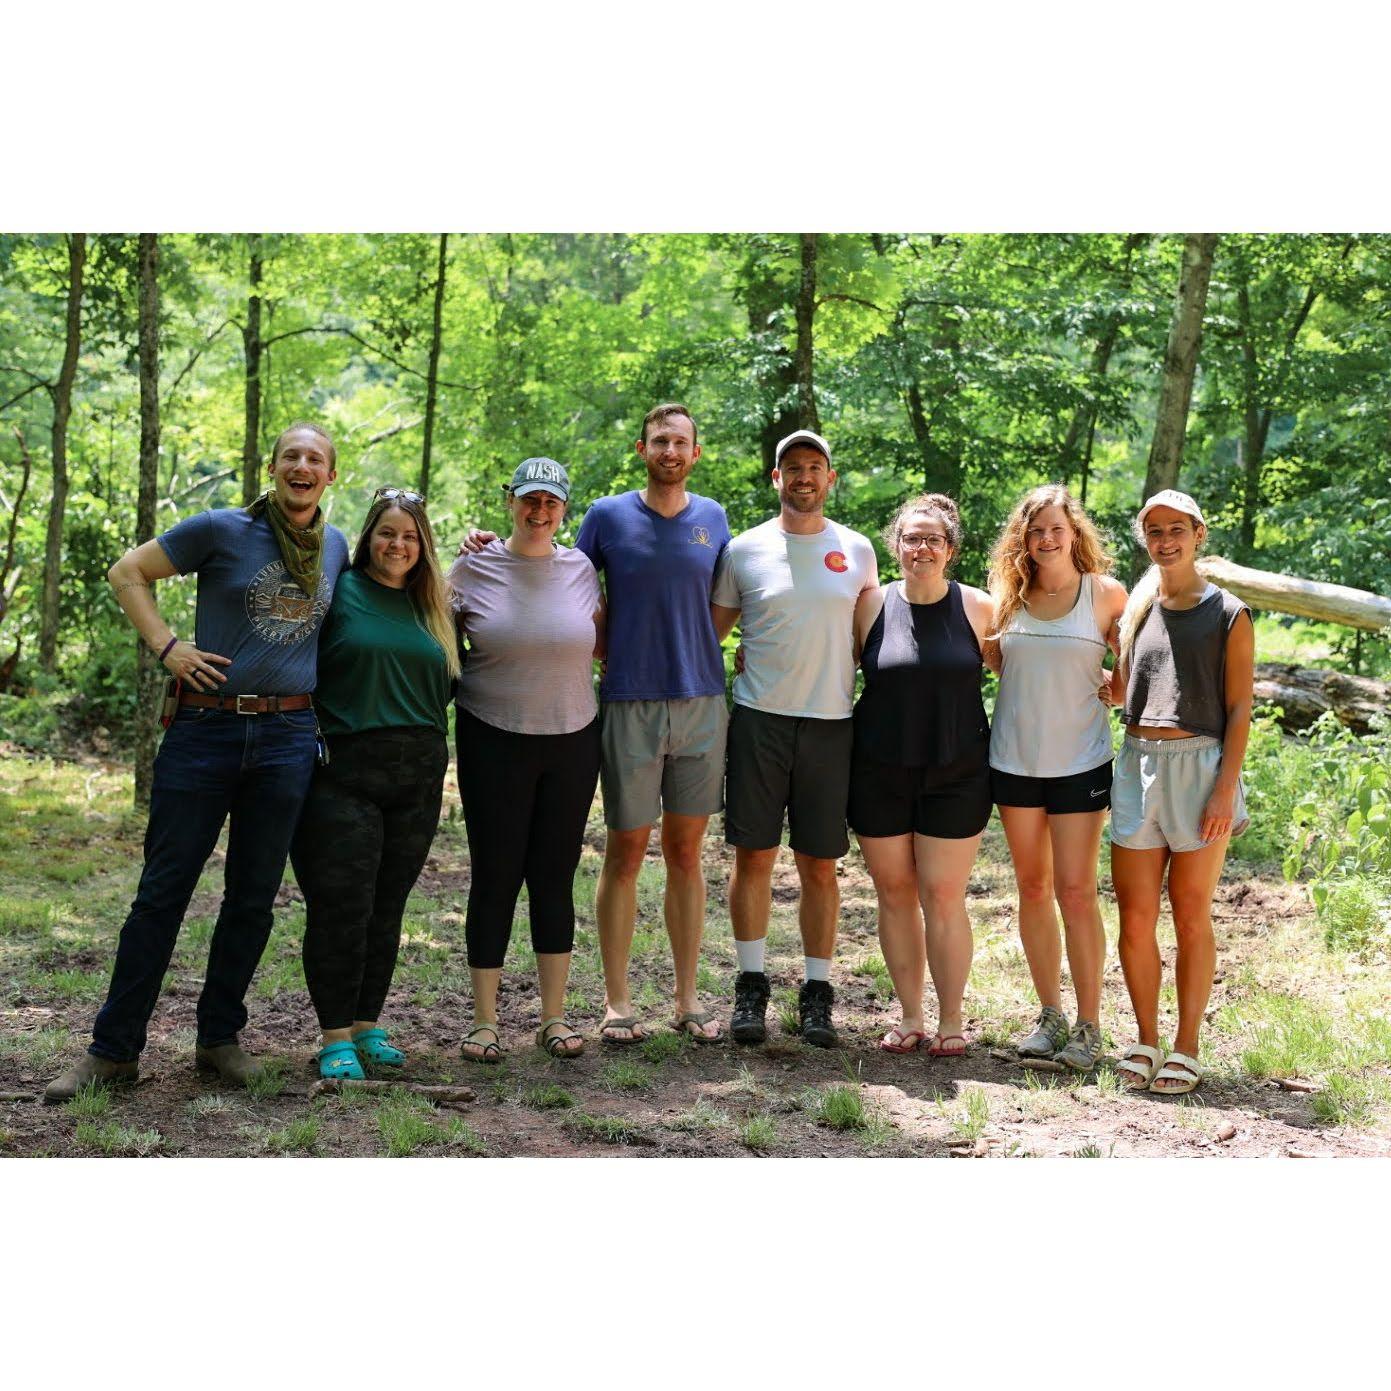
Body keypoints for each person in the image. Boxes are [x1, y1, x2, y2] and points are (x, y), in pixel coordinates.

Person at [45, 422, 348, 1102]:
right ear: (272, 467)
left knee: (252, 898)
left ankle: (218, 1038)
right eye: (291, 455)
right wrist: (167, 644)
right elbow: (128, 572)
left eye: (315, 458)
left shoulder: (335, 545)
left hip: (288, 737)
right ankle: (113, 1049)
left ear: (331, 475)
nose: (302, 466)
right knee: (162, 893)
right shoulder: (221, 528)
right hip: (203, 730)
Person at [464, 404, 731, 1046]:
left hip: (701, 700)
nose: (670, 450)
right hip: (625, 702)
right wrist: (482, 546)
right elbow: (556, 581)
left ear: (695, 453)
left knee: (688, 853)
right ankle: (617, 1004)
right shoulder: (605, 518)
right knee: (626, 852)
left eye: (681, 442)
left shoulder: (715, 519)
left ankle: (688, 1001)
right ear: (642, 448)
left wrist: (700, 646)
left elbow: (722, 605)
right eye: (659, 441)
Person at [711, 429, 878, 1047]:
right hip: (759, 720)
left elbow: (869, 642)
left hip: (832, 724)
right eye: (792, 468)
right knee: (753, 856)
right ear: (776, 479)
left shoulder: (858, 551)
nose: (804, 477)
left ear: (830, 479)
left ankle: (817, 995)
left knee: (819, 865)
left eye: (815, 467)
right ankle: (750, 988)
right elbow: (712, 633)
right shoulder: (744, 550)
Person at [289, 488, 458, 1080]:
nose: (398, 545)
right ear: (368, 538)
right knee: (343, 905)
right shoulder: (340, 592)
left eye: (410, 536)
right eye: (388, 533)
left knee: (388, 907)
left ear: (424, 546)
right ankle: (334, 1034)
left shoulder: (435, 606)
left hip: (419, 772)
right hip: (344, 770)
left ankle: (366, 1025)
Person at [448, 458, 603, 1063]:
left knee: (554, 874)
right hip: (493, 736)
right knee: (495, 873)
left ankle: (554, 1017)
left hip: (572, 737)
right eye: (529, 500)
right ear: (509, 500)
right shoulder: (472, 565)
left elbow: (608, 638)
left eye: (552, 503)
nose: (539, 513)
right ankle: (484, 1021)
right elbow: (430, 634)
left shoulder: (582, 569)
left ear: (565, 508)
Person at [1110, 490, 1253, 1095]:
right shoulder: (1139, 608)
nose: (1165, 541)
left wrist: (1225, 788)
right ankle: (1146, 1038)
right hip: (1137, 765)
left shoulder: (1228, 612)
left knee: (1191, 914)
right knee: (1136, 917)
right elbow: (1125, 690)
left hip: (1200, 767)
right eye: (1154, 531)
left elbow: (1241, 704)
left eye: (1176, 529)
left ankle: (1187, 1044)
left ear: (1199, 533)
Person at [985, 485, 1129, 1071]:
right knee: (1033, 890)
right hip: (1014, 763)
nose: (1046, 539)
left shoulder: (1106, 595)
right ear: (1023, 538)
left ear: (1075, 533)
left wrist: (1116, 688)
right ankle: (1050, 1014)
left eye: (1056, 529)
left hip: (1080, 764)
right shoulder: (1006, 599)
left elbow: (1135, 665)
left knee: (1076, 891)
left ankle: (1090, 1026)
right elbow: (997, 663)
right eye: (1035, 530)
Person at [848, 494, 994, 1058]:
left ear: (951, 549)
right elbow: (830, 664)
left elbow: (1025, 669)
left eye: (933, 538)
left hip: (957, 774)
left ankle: (952, 1019)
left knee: (943, 894)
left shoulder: (980, 608)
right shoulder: (868, 606)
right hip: (877, 772)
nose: (922, 547)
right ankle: (910, 1014)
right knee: (894, 893)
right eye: (911, 538)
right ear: (896, 545)